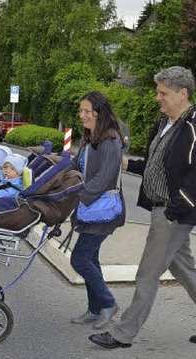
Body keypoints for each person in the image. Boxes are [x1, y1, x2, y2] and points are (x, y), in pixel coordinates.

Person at [89, 66, 196, 349]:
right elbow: (157, 166)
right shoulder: (164, 123)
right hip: (164, 209)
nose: (158, 98)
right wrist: (127, 163)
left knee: (147, 273)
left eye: (163, 93)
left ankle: (122, 334)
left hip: (173, 213)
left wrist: (174, 212)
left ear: (183, 94)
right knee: (184, 268)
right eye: (158, 92)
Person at [69, 91, 126, 330]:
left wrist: (76, 195)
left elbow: (105, 178)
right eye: (81, 111)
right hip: (90, 209)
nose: (81, 115)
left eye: (85, 111)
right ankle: (95, 309)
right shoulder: (89, 137)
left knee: (80, 258)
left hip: (103, 210)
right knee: (90, 258)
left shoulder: (111, 140)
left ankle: (108, 303)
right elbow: (76, 165)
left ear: (98, 113)